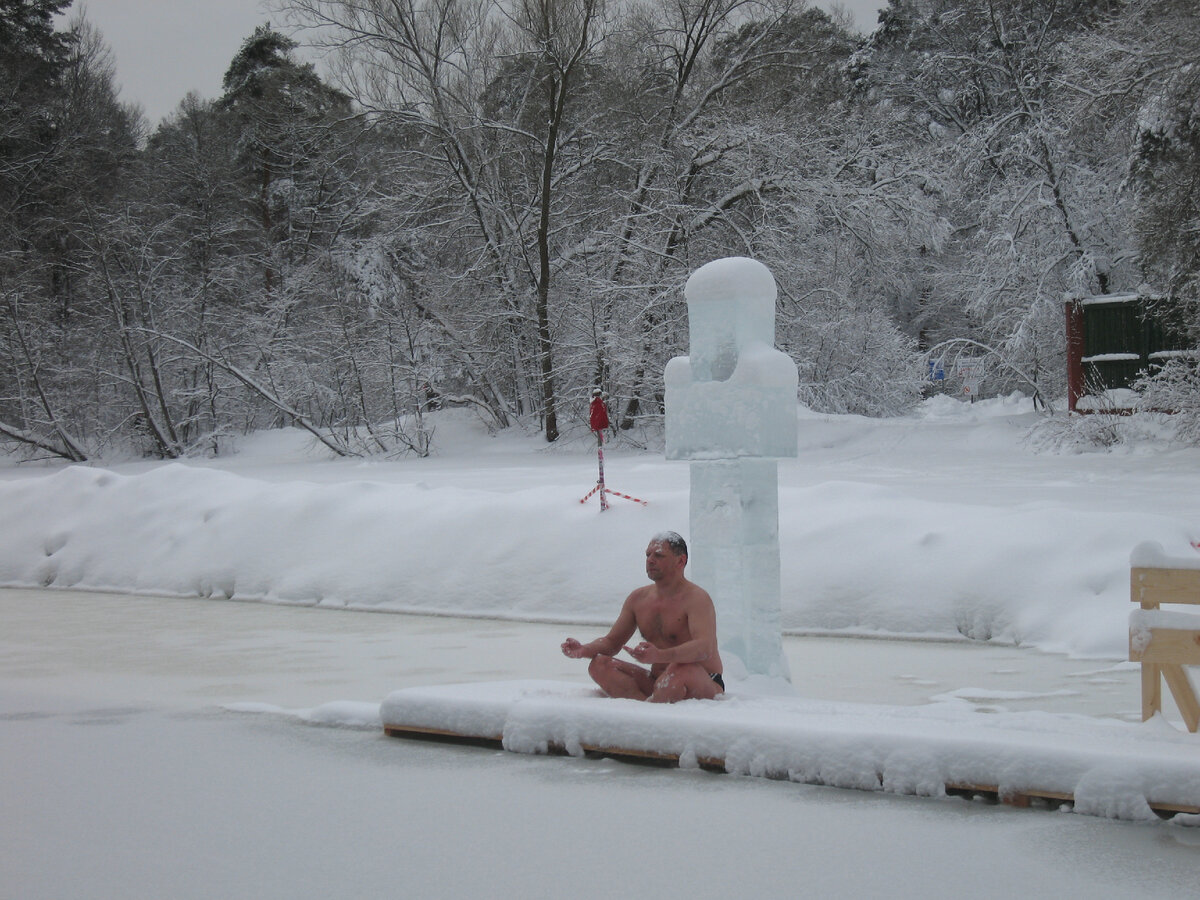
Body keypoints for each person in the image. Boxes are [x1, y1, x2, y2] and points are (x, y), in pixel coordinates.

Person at [561, 532, 724, 702]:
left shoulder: (696, 598)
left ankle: (652, 708)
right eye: (648, 555)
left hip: (701, 680)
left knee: (679, 671)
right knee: (599, 665)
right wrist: (583, 650)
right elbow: (612, 642)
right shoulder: (638, 599)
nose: (650, 560)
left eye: (659, 555)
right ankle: (644, 709)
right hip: (658, 681)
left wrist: (659, 656)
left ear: (680, 561)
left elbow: (704, 649)